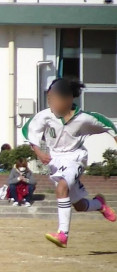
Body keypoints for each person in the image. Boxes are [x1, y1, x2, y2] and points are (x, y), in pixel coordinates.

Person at [23, 78, 117, 248]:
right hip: (54, 161)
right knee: (79, 205)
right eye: (49, 99)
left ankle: (63, 235)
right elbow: (30, 132)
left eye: (55, 99)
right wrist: (39, 153)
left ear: (68, 100)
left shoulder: (85, 118)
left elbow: (109, 126)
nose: (51, 103)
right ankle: (99, 204)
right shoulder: (44, 116)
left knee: (62, 188)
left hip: (75, 158)